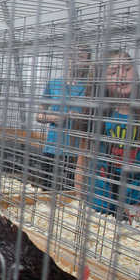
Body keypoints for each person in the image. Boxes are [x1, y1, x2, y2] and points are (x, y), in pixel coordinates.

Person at [76, 50, 140, 222]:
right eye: (113, 72)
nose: (122, 76)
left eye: (126, 69)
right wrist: (79, 196)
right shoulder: (96, 115)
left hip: (136, 205)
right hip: (97, 203)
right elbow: (83, 157)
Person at [33, 44, 91, 190]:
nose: (75, 60)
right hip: (52, 149)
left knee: (70, 194)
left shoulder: (91, 87)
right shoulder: (53, 84)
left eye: (81, 57)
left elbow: (96, 118)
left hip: (77, 153)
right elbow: (39, 115)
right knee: (46, 191)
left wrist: (80, 117)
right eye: (72, 56)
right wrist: (53, 118)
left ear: (88, 63)